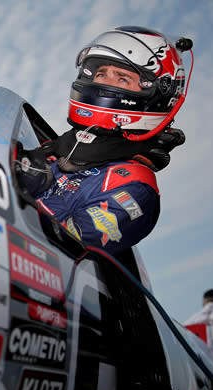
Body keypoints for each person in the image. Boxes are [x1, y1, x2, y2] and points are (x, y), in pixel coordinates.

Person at [15, 26, 192, 254]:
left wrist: (32, 184)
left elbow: (62, 249)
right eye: (101, 74)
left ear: (156, 96)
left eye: (122, 79)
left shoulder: (136, 188)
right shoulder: (57, 150)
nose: (104, 83)